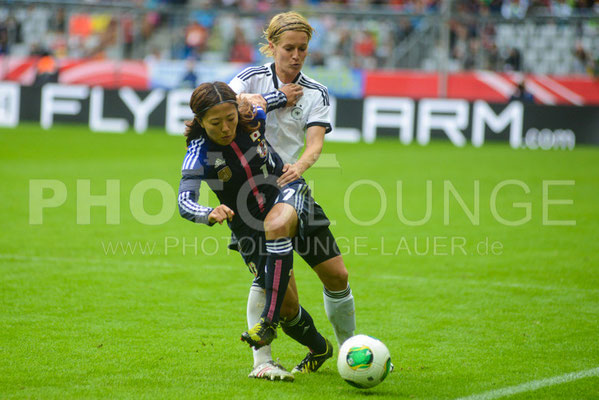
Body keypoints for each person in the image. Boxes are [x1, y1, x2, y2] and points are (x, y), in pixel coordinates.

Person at [178, 82, 348, 381]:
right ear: (201, 121)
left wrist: (286, 95)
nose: (226, 127)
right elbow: (184, 200)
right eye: (215, 123)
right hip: (248, 223)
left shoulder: (252, 114)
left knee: (336, 275)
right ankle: (320, 348)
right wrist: (208, 212)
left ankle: (265, 334)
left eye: (230, 118)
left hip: (287, 191)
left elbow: (267, 100)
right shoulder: (199, 152)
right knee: (289, 308)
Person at [228, 11, 356, 379]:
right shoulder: (248, 78)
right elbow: (224, 108)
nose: (296, 55)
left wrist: (298, 168)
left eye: (302, 48)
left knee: (337, 275)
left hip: (290, 184)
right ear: (271, 46)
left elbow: (315, 144)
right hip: (249, 194)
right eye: (288, 48)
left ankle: (349, 349)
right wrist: (275, 98)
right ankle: (266, 360)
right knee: (283, 301)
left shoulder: (316, 92)